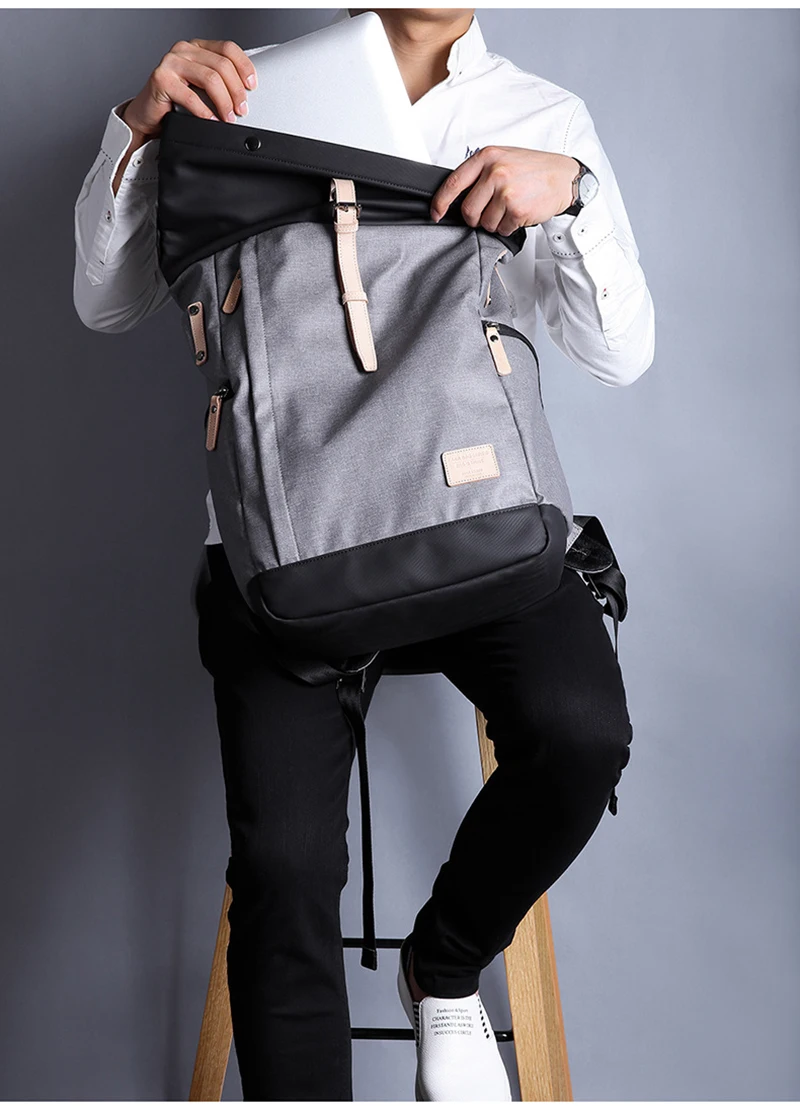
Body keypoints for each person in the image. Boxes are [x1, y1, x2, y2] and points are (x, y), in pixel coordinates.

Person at [73, 6, 654, 1101]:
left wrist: (570, 193)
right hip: (282, 540)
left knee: (580, 734)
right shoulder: (240, 90)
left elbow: (618, 354)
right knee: (284, 870)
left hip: (481, 519)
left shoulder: (540, 116)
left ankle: (444, 967)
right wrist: (137, 129)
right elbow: (108, 304)